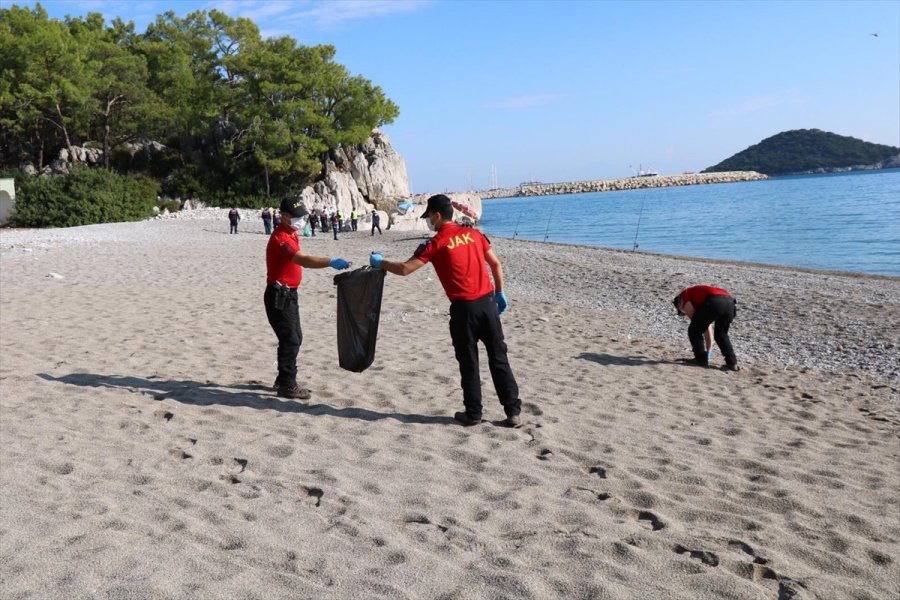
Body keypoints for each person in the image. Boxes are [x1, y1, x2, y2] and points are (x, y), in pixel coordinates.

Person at [369, 194, 522, 428]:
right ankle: (513, 411)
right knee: (499, 358)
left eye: (429, 217)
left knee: (469, 361)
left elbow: (405, 269)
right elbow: (496, 264)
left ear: (437, 215)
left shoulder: (436, 243)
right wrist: (500, 293)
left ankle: (473, 413)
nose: (428, 222)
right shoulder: (474, 234)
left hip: (464, 309)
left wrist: (381, 263)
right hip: (488, 304)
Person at [266, 198, 351, 399]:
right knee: (291, 339)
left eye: (303, 216)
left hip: (289, 294)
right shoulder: (281, 239)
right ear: (284, 217)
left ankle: (282, 379)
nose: (301, 220)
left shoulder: (291, 233)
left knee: (294, 337)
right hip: (279, 295)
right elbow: (301, 259)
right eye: (297, 217)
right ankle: (287, 384)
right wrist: (330, 261)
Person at [673, 285, 739, 371]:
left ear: (679, 303)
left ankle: (700, 359)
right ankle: (732, 363)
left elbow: (702, 328)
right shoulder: (694, 294)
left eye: (681, 312)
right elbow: (706, 327)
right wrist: (709, 351)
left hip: (714, 301)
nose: (684, 313)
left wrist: (707, 354)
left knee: (694, 330)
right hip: (730, 303)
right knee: (721, 334)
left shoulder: (683, 299)